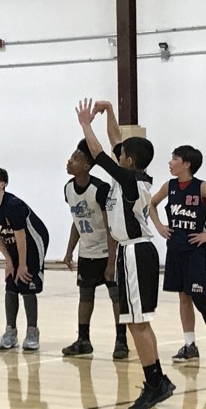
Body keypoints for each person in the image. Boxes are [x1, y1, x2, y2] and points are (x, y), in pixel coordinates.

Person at [75, 98, 174, 409]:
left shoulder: (128, 180)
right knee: (138, 322)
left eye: (122, 156)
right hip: (135, 252)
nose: (118, 155)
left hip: (134, 252)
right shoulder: (135, 176)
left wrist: (86, 124)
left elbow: (100, 153)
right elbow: (117, 141)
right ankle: (158, 379)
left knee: (138, 323)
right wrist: (110, 110)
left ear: (128, 161)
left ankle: (156, 383)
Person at [149, 145, 206, 367]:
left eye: (174, 158)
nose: (170, 162)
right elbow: (150, 204)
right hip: (175, 249)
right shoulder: (169, 186)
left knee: (199, 296)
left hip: (196, 251)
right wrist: (159, 226)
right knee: (183, 297)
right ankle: (190, 346)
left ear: (186, 163)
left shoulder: (202, 188)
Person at [60, 141, 127, 359]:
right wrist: (69, 250)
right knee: (85, 296)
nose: (70, 161)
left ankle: (121, 341)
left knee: (116, 297)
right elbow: (76, 221)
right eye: (71, 157)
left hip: (106, 252)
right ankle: (83, 340)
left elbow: (111, 227)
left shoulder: (100, 189)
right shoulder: (68, 188)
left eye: (76, 158)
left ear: (87, 166)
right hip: (86, 253)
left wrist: (111, 261)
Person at [0, 165, 50, 352]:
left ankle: (32, 331)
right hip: (12, 244)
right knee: (11, 284)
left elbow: (21, 236)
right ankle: (10, 331)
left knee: (26, 282)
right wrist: (9, 261)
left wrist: (23, 264)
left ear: (3, 184)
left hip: (33, 242)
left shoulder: (13, 206)